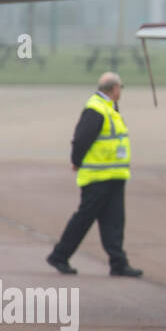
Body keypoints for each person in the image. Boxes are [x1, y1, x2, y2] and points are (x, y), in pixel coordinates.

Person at [46, 72, 143, 277]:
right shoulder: (96, 109)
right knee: (84, 218)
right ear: (114, 89)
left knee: (115, 220)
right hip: (98, 177)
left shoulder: (108, 108)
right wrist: (76, 161)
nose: (121, 92)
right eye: (121, 88)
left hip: (114, 176)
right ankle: (59, 255)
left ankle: (118, 262)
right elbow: (81, 138)